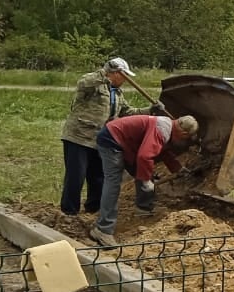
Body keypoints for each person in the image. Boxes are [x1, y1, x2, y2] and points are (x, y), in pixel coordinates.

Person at [59, 57, 165, 219]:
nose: (124, 79)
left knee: (98, 177)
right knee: (76, 176)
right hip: (78, 137)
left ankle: (93, 210)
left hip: (99, 141)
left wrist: (150, 110)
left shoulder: (118, 94)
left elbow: (129, 112)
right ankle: (69, 213)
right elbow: (82, 82)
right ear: (114, 73)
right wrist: (105, 72)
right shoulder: (94, 84)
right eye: (123, 75)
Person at [90, 114, 198, 248]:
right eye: (185, 138)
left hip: (127, 142)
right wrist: (146, 180)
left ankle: (144, 209)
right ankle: (103, 230)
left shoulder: (168, 127)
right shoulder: (162, 129)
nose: (183, 141)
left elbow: (162, 151)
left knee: (144, 170)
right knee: (113, 182)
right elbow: (144, 156)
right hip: (112, 139)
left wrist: (178, 168)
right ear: (182, 132)